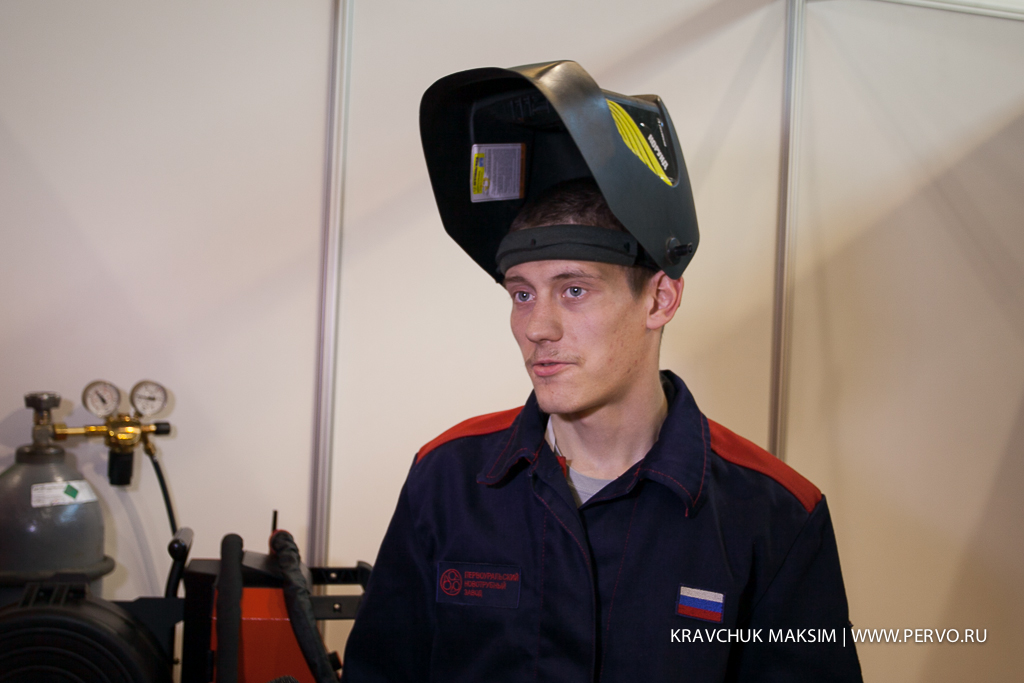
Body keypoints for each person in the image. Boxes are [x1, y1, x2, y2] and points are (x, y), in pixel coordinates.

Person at [342, 61, 862, 683]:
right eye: (522, 293)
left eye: (575, 290)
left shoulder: (773, 516)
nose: (538, 327)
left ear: (660, 299)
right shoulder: (449, 480)